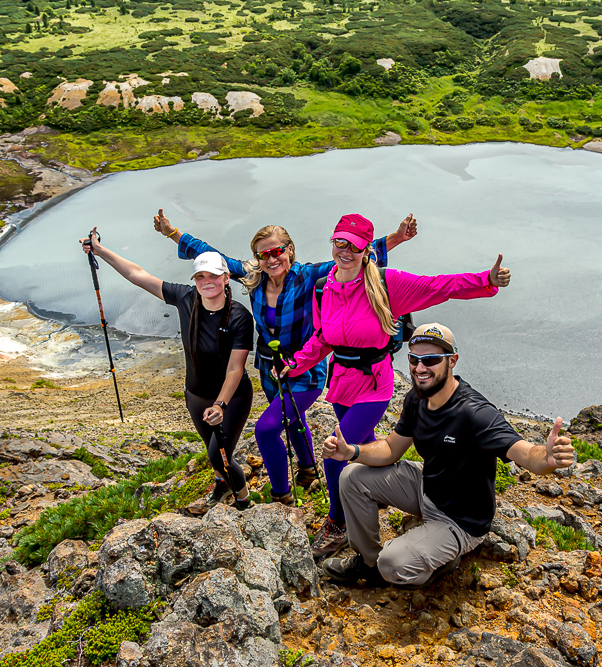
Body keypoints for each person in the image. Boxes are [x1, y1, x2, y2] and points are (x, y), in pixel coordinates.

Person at [282, 215, 512, 559]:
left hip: (375, 384)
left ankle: (338, 524)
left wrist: (485, 279)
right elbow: (322, 338)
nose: (345, 251)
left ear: (366, 249)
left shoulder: (388, 285)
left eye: (354, 245)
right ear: (332, 243)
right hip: (342, 382)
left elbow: (439, 286)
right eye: (339, 242)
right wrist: (296, 364)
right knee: (364, 448)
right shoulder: (321, 287)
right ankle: (372, 496)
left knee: (335, 455)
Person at [151, 210, 418, 505]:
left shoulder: (308, 276)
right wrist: (172, 232)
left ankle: (282, 496)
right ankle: (307, 470)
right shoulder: (254, 276)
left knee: (266, 430)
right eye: (263, 254)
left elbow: (350, 257)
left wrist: (396, 238)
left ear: (290, 250)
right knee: (293, 420)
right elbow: (212, 255)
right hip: (270, 369)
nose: (271, 259)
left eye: (277, 251)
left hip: (306, 370)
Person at [320, 322, 576, 587]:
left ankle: (440, 560)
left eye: (430, 360)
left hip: (460, 519)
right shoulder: (417, 398)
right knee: (351, 476)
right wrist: (352, 451)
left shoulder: (474, 413)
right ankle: (368, 562)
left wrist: (547, 458)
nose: (419, 368)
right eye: (413, 359)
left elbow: (525, 454)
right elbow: (391, 448)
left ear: (452, 361)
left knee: (393, 564)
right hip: (427, 487)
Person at [80, 229, 255, 511]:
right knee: (214, 452)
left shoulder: (240, 317)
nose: (207, 281)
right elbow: (138, 275)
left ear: (226, 278)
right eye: (200, 276)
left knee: (218, 456)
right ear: (195, 280)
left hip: (232, 399)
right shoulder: (186, 298)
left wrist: (220, 405)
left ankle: (244, 500)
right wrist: (100, 251)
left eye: (213, 276)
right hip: (196, 394)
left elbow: (235, 369)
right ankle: (223, 484)